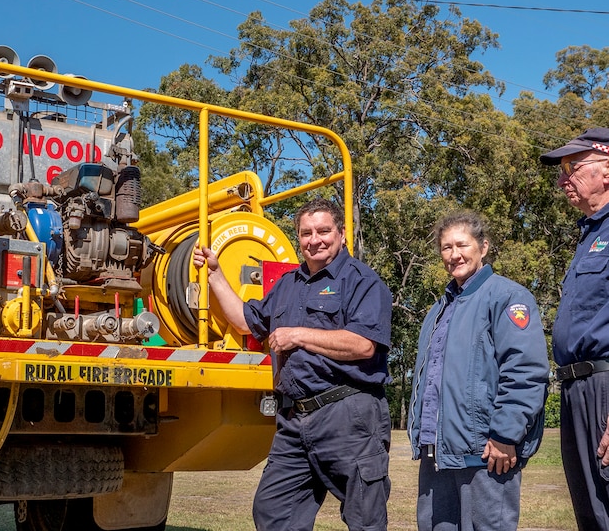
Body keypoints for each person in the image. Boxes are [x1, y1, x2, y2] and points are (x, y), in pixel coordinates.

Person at [193, 198, 393, 531]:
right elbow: (246, 321)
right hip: (294, 420)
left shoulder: (362, 281)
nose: (315, 239)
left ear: (341, 234)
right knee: (273, 511)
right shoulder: (288, 284)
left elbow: (363, 344)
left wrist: (298, 335)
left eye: (324, 231)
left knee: (365, 518)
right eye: (306, 233)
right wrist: (215, 275)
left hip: (348, 414)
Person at [407, 211, 549, 531]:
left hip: (486, 455)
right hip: (437, 455)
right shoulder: (438, 310)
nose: (454, 254)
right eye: (446, 247)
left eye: (462, 245)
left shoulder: (508, 297)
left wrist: (505, 435)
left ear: (483, 247)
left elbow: (526, 370)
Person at [540, 127, 609, 530]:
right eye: (561, 171)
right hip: (575, 390)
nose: (564, 180)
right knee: (591, 513)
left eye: (573, 168)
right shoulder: (590, 235)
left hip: (603, 387)